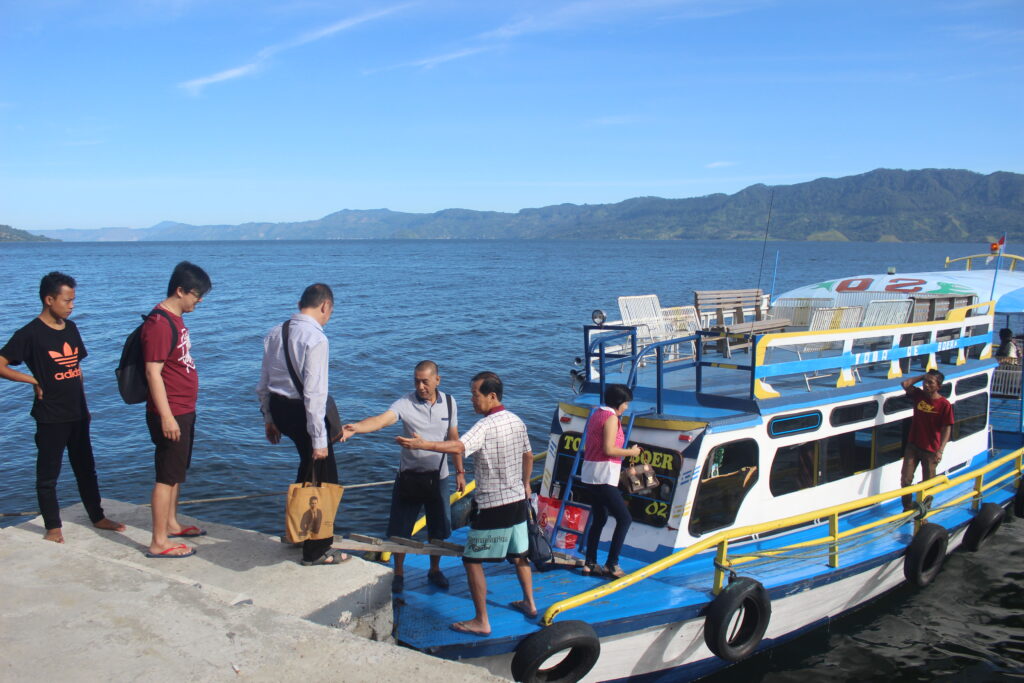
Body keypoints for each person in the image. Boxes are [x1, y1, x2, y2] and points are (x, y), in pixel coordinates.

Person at [396, 371, 535, 637]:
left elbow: (458, 447)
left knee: (472, 560)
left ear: (491, 396)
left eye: (475, 395)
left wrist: (422, 444)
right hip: (518, 500)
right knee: (519, 555)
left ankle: (482, 620)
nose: (472, 400)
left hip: (493, 505)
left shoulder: (484, 426)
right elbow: (528, 455)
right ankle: (529, 602)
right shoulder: (516, 420)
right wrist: (526, 483)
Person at [0, 272, 125, 543]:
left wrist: (85, 406)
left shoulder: (70, 328)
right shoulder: (30, 333)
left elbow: (76, 370)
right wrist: (31, 379)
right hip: (50, 416)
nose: (72, 305)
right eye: (67, 300)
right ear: (49, 299)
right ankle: (53, 527)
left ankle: (97, 516)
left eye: (73, 300)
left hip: (77, 413)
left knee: (86, 469)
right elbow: (1, 364)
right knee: (48, 475)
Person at [341, 360, 459, 592]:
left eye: (425, 381)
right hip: (409, 478)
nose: (421, 386)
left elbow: (454, 439)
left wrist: (461, 472)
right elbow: (382, 420)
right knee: (399, 530)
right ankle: (399, 573)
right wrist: (357, 427)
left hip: (439, 478)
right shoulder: (405, 403)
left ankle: (434, 570)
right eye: (416, 381)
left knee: (438, 529)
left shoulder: (451, 403)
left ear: (437, 380)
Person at [257, 283, 349, 566]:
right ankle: (317, 550)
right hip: (302, 412)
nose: (328, 317)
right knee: (324, 477)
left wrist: (269, 419)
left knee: (304, 468)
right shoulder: (317, 339)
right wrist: (320, 440)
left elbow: (263, 383)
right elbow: (314, 394)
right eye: (329, 312)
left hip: (280, 410)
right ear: (325, 307)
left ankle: (296, 532)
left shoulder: (276, 332)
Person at [142, 261, 211, 558]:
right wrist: (167, 416)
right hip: (172, 411)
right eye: (196, 294)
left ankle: (170, 523)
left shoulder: (175, 319)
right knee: (166, 475)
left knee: (177, 471)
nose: (199, 300)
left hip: (184, 408)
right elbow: (152, 372)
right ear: (180, 291)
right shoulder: (160, 324)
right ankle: (159, 541)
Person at [581, 384, 641, 579]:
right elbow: (609, 449)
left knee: (600, 518)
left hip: (590, 474)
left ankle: (590, 563)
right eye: (626, 403)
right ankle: (612, 564)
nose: (627, 407)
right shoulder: (611, 418)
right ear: (619, 403)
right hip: (604, 476)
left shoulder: (596, 413)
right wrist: (631, 452)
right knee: (625, 519)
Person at [900, 370, 953, 510]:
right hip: (913, 445)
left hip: (931, 450)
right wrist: (922, 376)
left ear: (938, 386)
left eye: (930, 382)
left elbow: (947, 428)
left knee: (928, 483)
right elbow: (905, 383)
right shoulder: (918, 395)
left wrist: (940, 451)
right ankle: (907, 508)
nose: (926, 385)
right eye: (925, 382)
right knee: (906, 479)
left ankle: (925, 511)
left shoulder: (944, 404)